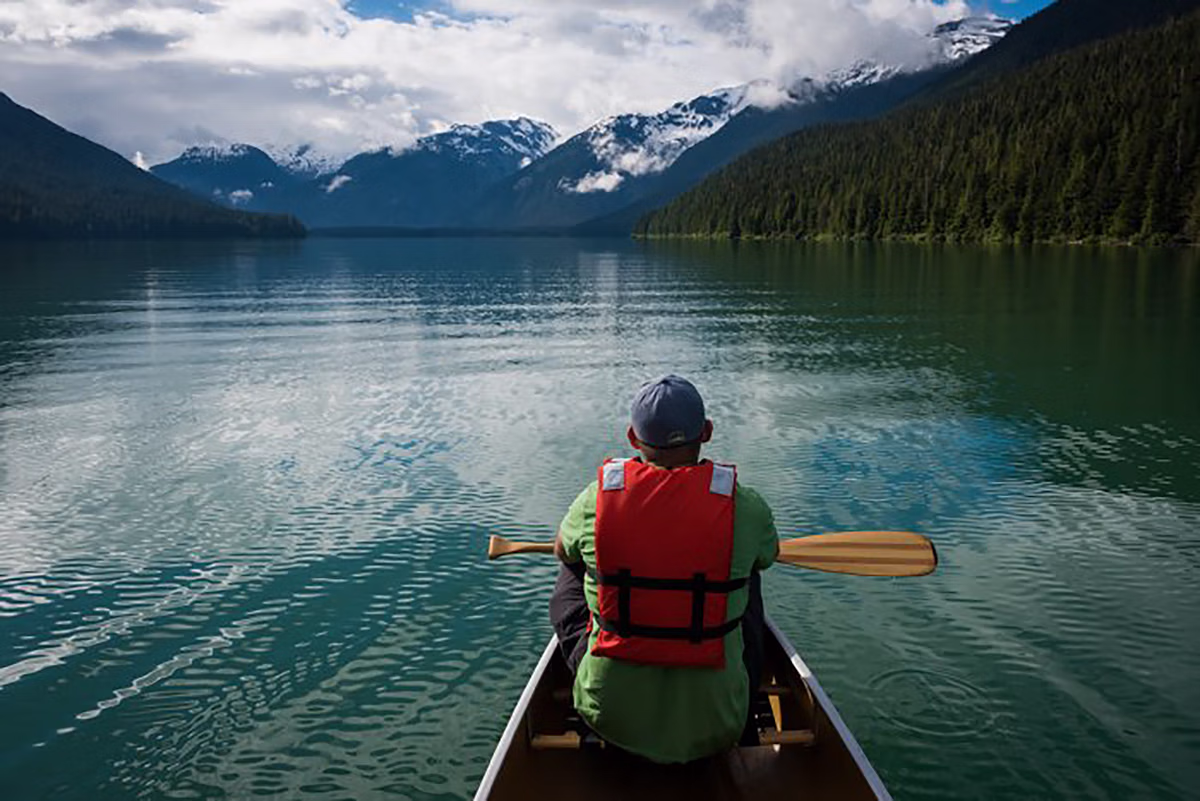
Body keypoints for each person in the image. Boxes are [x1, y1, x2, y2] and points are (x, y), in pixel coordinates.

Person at [549, 375, 779, 764]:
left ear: (633, 438)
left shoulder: (596, 501)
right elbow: (768, 555)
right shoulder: (746, 506)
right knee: (748, 573)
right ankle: (741, 690)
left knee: (572, 566)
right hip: (718, 721)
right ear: (706, 432)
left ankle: (593, 671)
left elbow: (560, 550)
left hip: (610, 715)